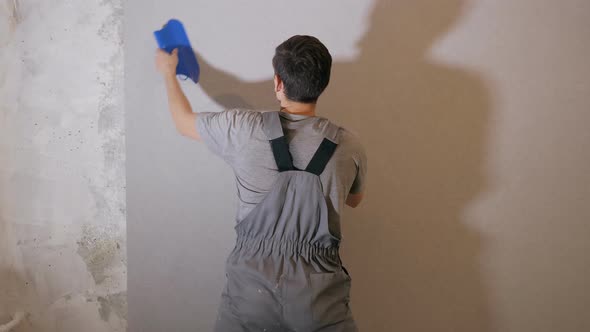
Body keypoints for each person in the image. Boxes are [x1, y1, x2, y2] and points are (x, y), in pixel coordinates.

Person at [155, 35, 367, 332]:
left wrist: (168, 72)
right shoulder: (348, 145)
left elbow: (182, 121)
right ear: (323, 84)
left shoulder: (243, 128)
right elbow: (354, 200)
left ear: (278, 82)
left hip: (249, 295)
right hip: (319, 303)